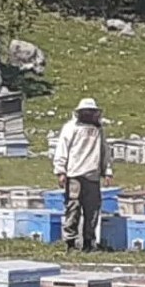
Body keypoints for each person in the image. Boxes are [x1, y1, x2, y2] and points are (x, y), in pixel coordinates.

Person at [52, 97, 113, 252]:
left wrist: (107, 171)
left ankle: (88, 242)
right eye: (86, 112)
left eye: (91, 112)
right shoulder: (70, 128)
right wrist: (61, 171)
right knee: (73, 208)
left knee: (92, 211)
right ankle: (70, 242)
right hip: (74, 175)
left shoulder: (99, 130)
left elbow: (104, 152)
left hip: (93, 175)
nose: (89, 115)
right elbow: (62, 149)